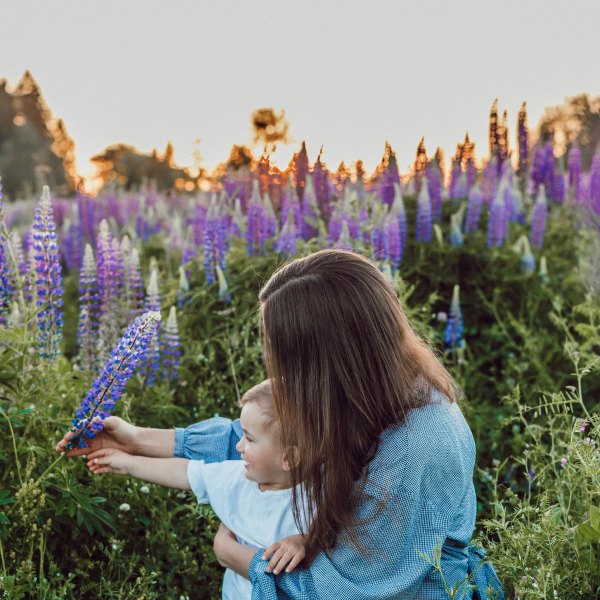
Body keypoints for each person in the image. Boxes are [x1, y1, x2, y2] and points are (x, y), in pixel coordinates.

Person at [58, 249, 504, 600]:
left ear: (328, 360)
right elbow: (268, 441)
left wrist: (237, 557)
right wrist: (137, 440)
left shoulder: (417, 447)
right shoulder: (372, 391)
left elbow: (344, 592)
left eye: (285, 356)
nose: (275, 368)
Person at [82, 380, 307, 600]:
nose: (238, 446)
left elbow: (333, 535)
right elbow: (186, 472)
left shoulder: (318, 494)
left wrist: (303, 540)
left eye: (248, 438)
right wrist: (127, 463)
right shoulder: (237, 477)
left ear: (289, 458)